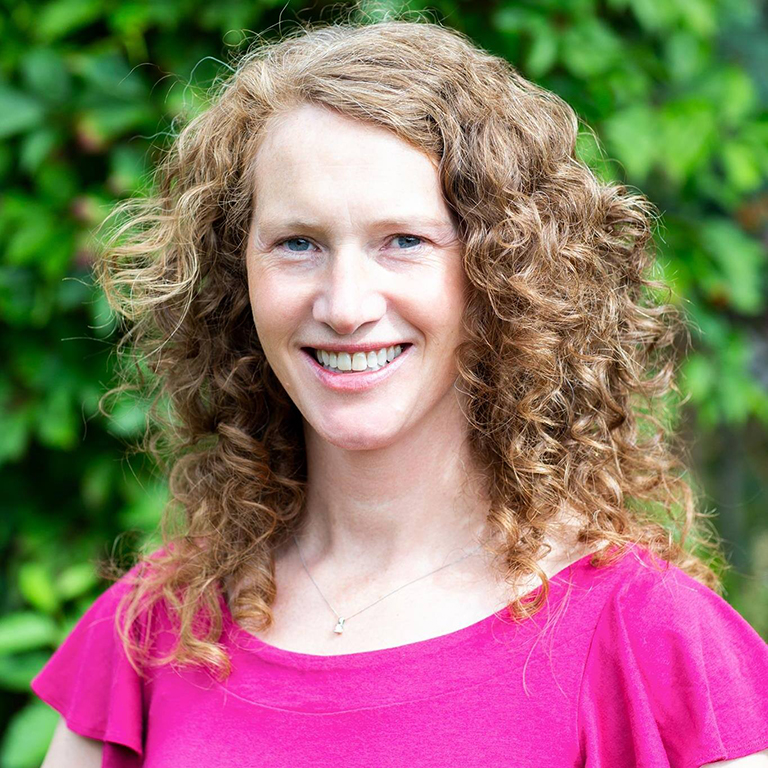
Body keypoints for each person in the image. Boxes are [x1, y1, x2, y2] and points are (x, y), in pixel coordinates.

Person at [32, 16, 768, 768]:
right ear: (235, 275)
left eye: (404, 241)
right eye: (298, 244)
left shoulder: (647, 638)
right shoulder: (154, 628)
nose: (346, 305)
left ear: (502, 273)